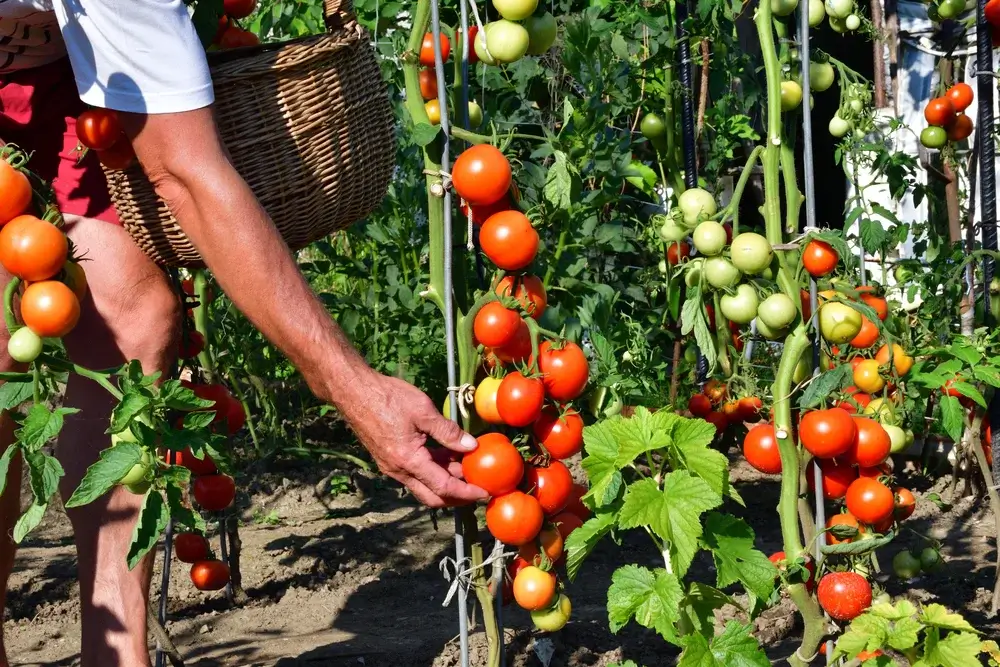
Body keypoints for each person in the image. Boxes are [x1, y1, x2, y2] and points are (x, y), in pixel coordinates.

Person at [0, 1, 487, 665]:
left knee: (139, 313)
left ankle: (115, 651)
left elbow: (186, 172)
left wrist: (352, 385)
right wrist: (353, 392)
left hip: (77, 74)